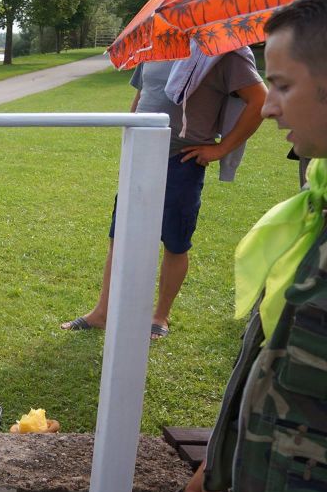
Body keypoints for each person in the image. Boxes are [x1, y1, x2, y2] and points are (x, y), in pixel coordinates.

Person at [183, 0, 327, 492]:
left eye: (283, 86)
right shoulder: (312, 213)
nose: (268, 108)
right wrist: (221, 462)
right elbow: (272, 358)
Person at [60, 45, 266, 340]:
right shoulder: (155, 44)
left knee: (175, 242)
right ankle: (102, 312)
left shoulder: (221, 50)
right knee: (119, 236)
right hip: (140, 156)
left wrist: (221, 149)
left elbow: (260, 100)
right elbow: (142, 94)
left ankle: (160, 315)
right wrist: (130, 135)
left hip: (182, 160)